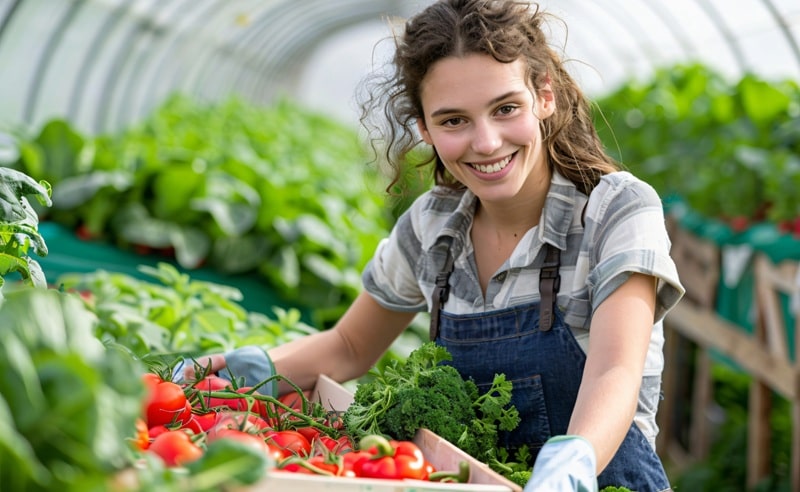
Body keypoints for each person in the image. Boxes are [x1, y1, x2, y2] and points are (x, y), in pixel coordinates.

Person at [181, 1, 685, 490]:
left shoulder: (615, 210)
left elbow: (616, 369)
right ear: (424, 129)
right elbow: (351, 345)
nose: (486, 142)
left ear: (544, 97)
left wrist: (573, 462)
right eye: (453, 121)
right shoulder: (432, 225)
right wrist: (252, 370)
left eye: (505, 108)